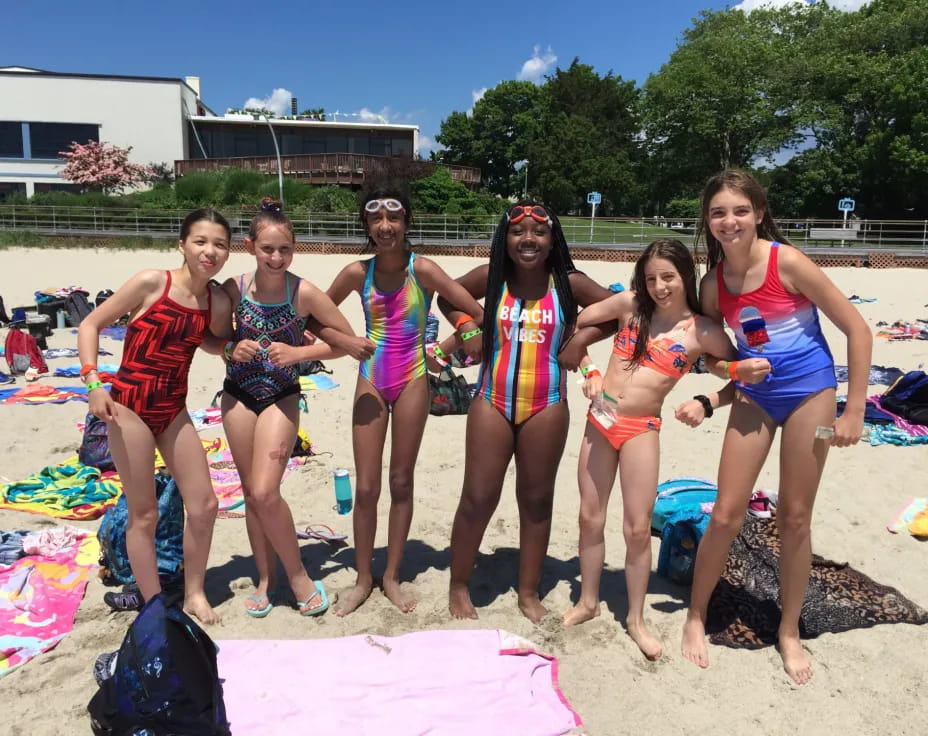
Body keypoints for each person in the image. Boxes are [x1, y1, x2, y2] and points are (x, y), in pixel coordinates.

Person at [680, 169, 872, 684]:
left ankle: (789, 631)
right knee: (724, 513)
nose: (729, 221)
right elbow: (713, 359)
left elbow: (856, 327)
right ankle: (695, 617)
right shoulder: (712, 285)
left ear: (760, 213)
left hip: (813, 394)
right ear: (708, 220)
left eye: (740, 210)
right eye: (718, 212)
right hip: (755, 398)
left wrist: (853, 409)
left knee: (794, 517)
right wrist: (731, 374)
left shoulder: (786, 262)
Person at [559, 239, 754, 660]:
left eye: (668, 277)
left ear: (686, 275)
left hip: (642, 429)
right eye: (651, 279)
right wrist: (589, 367)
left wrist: (706, 403)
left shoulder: (703, 331)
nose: (660, 287)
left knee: (636, 527)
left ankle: (636, 619)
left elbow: (739, 376)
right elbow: (574, 321)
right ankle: (589, 601)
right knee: (589, 517)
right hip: (600, 421)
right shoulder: (630, 305)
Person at [443, 201, 613, 623]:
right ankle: (459, 585)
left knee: (536, 501)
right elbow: (443, 293)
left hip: (547, 405)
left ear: (553, 239)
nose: (529, 240)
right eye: (519, 232)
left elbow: (622, 310)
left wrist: (581, 337)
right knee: (478, 497)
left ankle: (527, 591)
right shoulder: (492, 277)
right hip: (490, 400)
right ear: (506, 239)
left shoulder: (568, 283)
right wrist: (467, 327)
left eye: (539, 232)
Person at [321, 183, 485, 616]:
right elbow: (313, 314)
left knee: (401, 481)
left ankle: (390, 576)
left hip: (413, 377)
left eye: (394, 218)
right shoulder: (358, 273)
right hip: (371, 377)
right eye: (376, 219)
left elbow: (474, 312)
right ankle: (361, 578)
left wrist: (452, 343)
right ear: (367, 226)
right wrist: (345, 339)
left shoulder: (424, 270)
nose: (386, 226)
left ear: (407, 222)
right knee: (368, 485)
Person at [77, 208, 234, 624]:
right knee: (144, 513)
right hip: (128, 407)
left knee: (205, 505)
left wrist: (236, 347)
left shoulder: (216, 300)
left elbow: (211, 341)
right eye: (200, 241)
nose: (210, 251)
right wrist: (93, 383)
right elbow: (91, 324)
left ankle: (195, 593)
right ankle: (152, 605)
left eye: (220, 244)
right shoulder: (153, 283)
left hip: (172, 409)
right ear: (181, 244)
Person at [218, 199, 372, 617]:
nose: (276, 257)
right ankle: (266, 580)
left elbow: (348, 344)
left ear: (294, 247)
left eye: (284, 249)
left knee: (267, 491)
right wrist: (232, 347)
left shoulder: (302, 292)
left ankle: (299, 575)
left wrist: (299, 354)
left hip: (281, 396)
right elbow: (212, 341)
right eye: (267, 248)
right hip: (237, 395)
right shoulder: (233, 288)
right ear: (250, 245)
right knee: (251, 495)